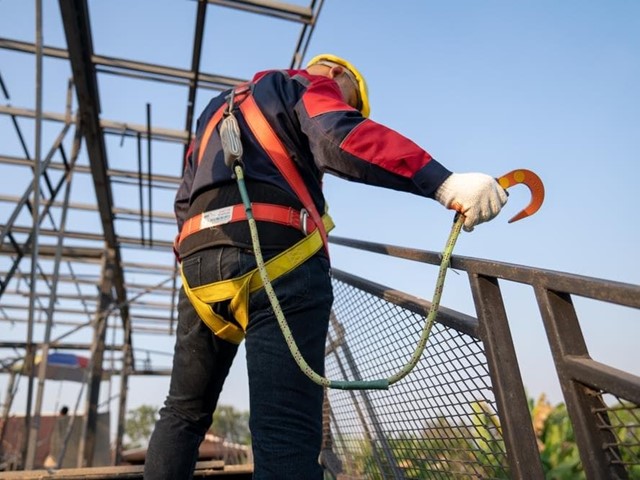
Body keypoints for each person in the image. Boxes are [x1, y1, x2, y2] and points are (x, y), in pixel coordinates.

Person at [144, 54, 507, 479]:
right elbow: (338, 135)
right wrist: (441, 181)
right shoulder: (301, 86)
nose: (345, 102)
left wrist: (197, 260)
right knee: (284, 432)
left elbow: (184, 196)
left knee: (183, 413)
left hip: (200, 272)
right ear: (337, 73)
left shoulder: (215, 110)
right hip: (280, 261)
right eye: (349, 97)